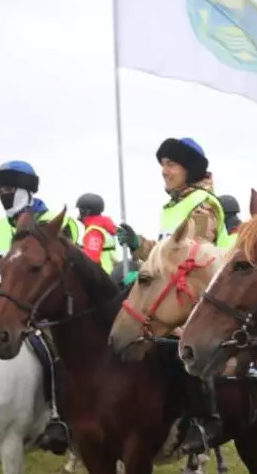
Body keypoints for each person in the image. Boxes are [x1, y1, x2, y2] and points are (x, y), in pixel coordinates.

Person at [116, 137, 229, 455]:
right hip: (176, 289)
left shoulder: (205, 204)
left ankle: (207, 419)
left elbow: (193, 257)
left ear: (188, 169)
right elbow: (166, 256)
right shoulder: (172, 208)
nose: (165, 171)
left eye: (171, 165)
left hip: (205, 292)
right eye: (162, 165)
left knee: (181, 337)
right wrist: (138, 244)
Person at [0, 160, 80, 284]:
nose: (3, 195)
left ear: (28, 190)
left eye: (9, 189)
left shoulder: (57, 223)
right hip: (3, 300)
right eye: (0, 191)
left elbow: (74, 271)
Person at [77, 193, 120, 274]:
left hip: (102, 276)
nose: (79, 213)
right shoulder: (104, 227)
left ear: (87, 211)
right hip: (111, 273)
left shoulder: (94, 231)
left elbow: (90, 260)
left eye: (80, 210)